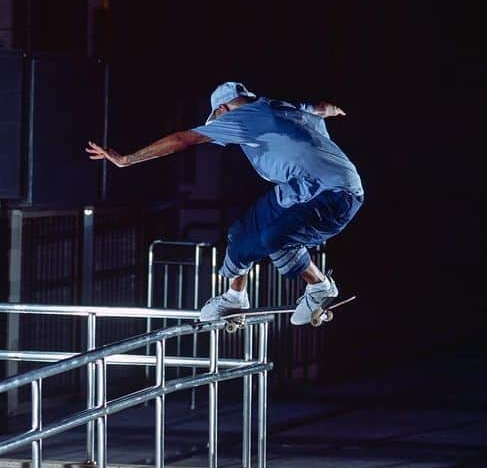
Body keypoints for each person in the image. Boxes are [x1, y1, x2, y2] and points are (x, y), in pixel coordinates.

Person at [86, 80, 363, 326]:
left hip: (337, 195)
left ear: (223, 109)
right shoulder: (279, 106)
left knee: (275, 237)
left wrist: (127, 159)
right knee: (242, 233)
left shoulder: (241, 117)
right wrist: (334, 110)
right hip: (300, 189)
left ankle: (319, 287)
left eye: (217, 120)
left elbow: (184, 139)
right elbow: (320, 108)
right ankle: (235, 297)